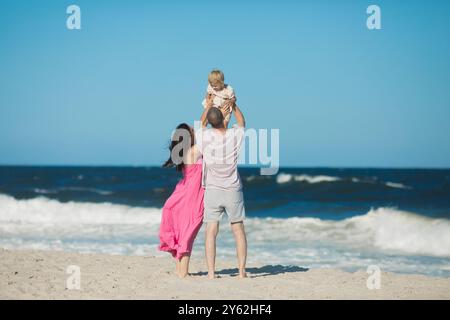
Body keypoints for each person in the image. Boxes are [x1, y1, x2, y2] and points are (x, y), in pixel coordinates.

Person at [196, 100, 248, 279]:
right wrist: (233, 105)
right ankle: (241, 272)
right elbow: (242, 123)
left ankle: (211, 273)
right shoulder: (234, 135)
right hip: (232, 188)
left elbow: (201, 123)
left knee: (211, 231)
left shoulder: (204, 136)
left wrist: (208, 106)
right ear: (224, 118)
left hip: (212, 189)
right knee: (238, 229)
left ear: (211, 121)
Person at [158, 123, 204, 278]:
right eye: (192, 130)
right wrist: (210, 108)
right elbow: (203, 130)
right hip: (190, 198)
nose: (195, 131)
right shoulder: (192, 152)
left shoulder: (187, 153)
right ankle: (183, 272)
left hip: (183, 196)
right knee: (187, 234)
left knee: (184, 234)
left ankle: (180, 270)